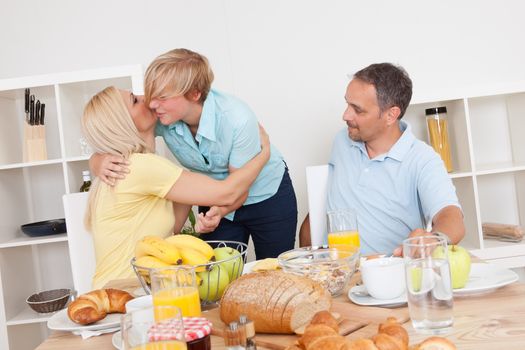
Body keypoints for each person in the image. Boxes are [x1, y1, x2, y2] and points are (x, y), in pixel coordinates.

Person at [91, 48, 297, 259]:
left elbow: (239, 189)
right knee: (219, 277)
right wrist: (97, 161)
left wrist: (222, 209)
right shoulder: (162, 115)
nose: (152, 104)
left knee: (276, 270)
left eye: (162, 96)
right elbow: (120, 127)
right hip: (213, 194)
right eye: (152, 94)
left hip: (264, 194)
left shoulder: (237, 119)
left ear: (194, 94)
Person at [82, 86, 271, 289]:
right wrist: (264, 155)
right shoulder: (139, 167)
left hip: (117, 291)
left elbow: (172, 228)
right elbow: (227, 193)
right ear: (121, 125)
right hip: (129, 294)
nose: (145, 97)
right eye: (134, 100)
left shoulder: (129, 167)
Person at [299, 63, 465, 256]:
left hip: (386, 272)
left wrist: (433, 240)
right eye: (347, 104)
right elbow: (327, 203)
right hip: (335, 269)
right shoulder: (343, 141)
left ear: (390, 115)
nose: (345, 115)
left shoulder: (422, 159)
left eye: (358, 110)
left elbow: (452, 217)